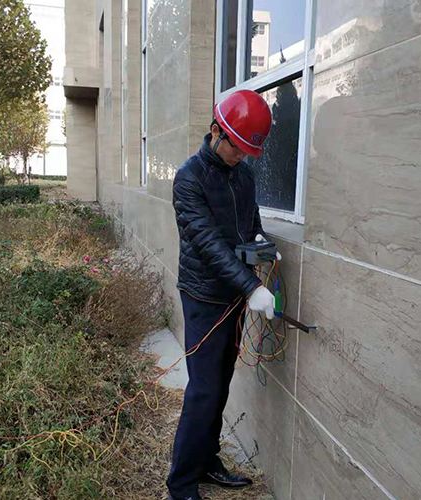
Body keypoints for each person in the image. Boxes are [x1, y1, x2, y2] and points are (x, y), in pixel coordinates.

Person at [166, 89, 280, 500]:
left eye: (249, 152)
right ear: (217, 132)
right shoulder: (189, 178)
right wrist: (252, 287)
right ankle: (180, 483)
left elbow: (251, 224)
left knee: (223, 381)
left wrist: (264, 245)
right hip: (203, 296)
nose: (242, 157)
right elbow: (207, 242)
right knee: (203, 389)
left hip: (235, 295)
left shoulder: (243, 175)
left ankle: (207, 461)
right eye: (238, 149)